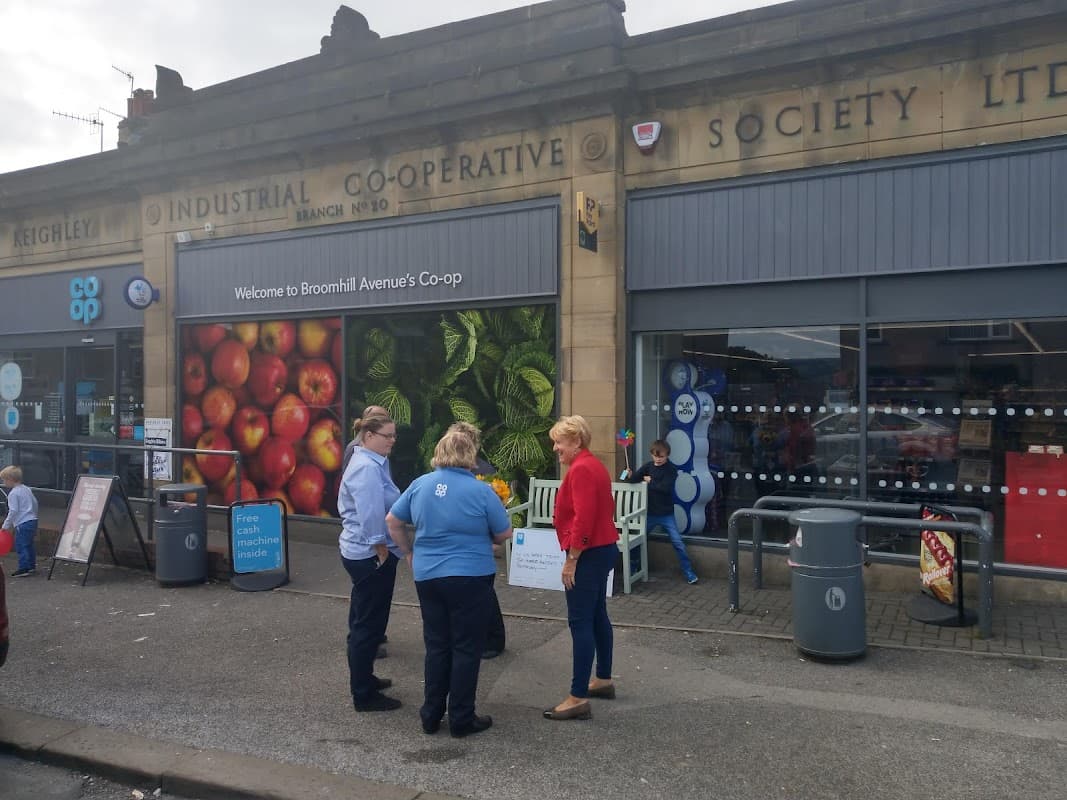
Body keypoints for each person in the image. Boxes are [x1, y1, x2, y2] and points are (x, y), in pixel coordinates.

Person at [386, 430, 513, 738]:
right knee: (467, 648)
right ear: (470, 455)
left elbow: (393, 520)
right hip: (471, 576)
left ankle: (430, 715)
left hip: (428, 575)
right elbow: (504, 533)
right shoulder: (481, 491)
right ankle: (461, 718)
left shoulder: (420, 484)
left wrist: (409, 553)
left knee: (437, 645)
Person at [543, 415, 618, 722]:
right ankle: (602, 679)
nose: (555, 448)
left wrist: (572, 559)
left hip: (588, 553)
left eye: (559, 442)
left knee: (580, 621)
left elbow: (584, 518)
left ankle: (577, 697)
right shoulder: (591, 465)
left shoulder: (583, 469)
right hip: (601, 549)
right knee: (597, 614)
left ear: (576, 441)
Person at [338, 411, 404, 712]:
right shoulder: (366, 467)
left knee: (365, 619)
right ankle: (363, 694)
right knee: (368, 624)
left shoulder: (374, 461)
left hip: (364, 552)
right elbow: (370, 513)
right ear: (368, 437)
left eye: (393, 435)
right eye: (387, 435)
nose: (393, 440)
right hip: (369, 554)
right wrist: (380, 547)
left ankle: (365, 677)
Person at [447, 421, 507, 659]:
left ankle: (493, 639)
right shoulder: (448, 470)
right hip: (458, 544)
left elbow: (498, 515)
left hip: (476, 543)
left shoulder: (483, 472)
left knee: (483, 593)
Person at [623, 440, 698, 584]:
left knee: (678, 542)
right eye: (655, 456)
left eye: (661, 456)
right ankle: (634, 567)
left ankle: (688, 571)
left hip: (666, 514)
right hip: (650, 513)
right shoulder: (648, 467)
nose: (658, 459)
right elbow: (633, 480)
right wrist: (630, 474)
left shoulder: (671, 469)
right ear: (651, 454)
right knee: (636, 540)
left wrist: (650, 481)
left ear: (667, 455)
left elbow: (665, 488)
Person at [1, 466, 39, 578]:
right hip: (32, 520)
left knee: (21, 545)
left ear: (10, 479)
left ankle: (24, 567)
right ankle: (31, 565)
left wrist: (5, 525)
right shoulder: (26, 489)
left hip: (22, 522)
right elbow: (35, 502)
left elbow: (13, 511)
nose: (3, 482)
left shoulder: (13, 494)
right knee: (29, 544)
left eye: (4, 480)